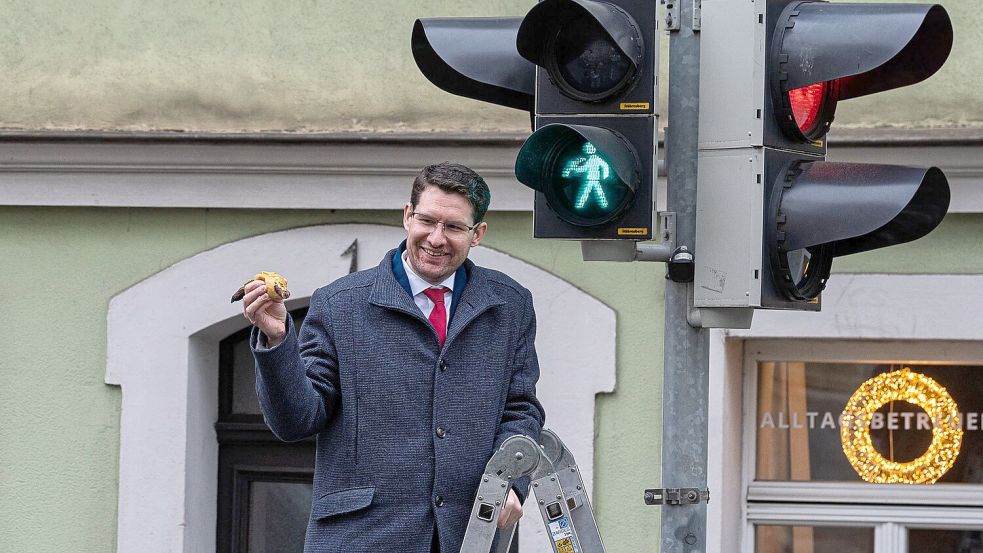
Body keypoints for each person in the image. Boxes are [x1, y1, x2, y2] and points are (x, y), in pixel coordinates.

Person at [241, 161, 546, 553]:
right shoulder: (339, 305)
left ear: (478, 234)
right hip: (361, 538)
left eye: (453, 227)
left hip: (471, 534)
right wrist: (277, 338)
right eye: (427, 221)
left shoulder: (510, 304)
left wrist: (510, 479)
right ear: (407, 216)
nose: (436, 238)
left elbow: (520, 409)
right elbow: (297, 420)